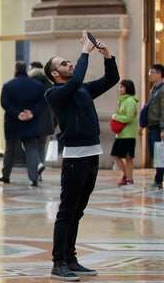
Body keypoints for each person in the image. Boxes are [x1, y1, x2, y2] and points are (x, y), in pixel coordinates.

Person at [44, 31, 119, 281]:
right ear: (55, 74)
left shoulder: (83, 89)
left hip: (92, 154)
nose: (69, 64)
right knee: (67, 211)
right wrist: (85, 51)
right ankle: (58, 262)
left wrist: (107, 56)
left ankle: (71, 258)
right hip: (75, 158)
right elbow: (74, 82)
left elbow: (112, 79)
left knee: (78, 211)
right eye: (63, 63)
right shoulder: (54, 94)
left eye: (68, 61)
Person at [0, 60, 46, 187]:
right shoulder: (37, 85)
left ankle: (5, 175)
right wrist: (32, 113)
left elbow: (5, 103)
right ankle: (33, 177)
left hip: (13, 122)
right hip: (31, 122)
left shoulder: (8, 85)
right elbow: (42, 103)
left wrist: (18, 114)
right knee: (31, 149)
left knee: (10, 150)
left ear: (15, 70)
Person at [28, 61, 55, 178]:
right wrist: (55, 122)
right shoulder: (49, 83)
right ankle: (40, 167)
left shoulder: (30, 83)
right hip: (47, 120)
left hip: (33, 119)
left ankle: (38, 165)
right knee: (41, 145)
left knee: (30, 146)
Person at [140, 64, 164, 190]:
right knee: (156, 154)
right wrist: (142, 125)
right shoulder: (154, 89)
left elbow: (163, 110)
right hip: (151, 125)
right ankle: (158, 178)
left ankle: (158, 181)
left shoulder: (162, 90)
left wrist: (163, 129)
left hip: (158, 127)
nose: (150, 74)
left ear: (159, 74)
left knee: (159, 154)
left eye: (152, 72)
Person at [110, 79, 138, 186]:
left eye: (122, 87)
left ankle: (129, 178)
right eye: (119, 87)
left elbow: (129, 117)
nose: (119, 89)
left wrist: (115, 116)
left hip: (128, 134)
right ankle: (126, 175)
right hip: (121, 134)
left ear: (127, 88)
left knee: (128, 157)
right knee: (115, 155)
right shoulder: (122, 100)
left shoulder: (130, 101)